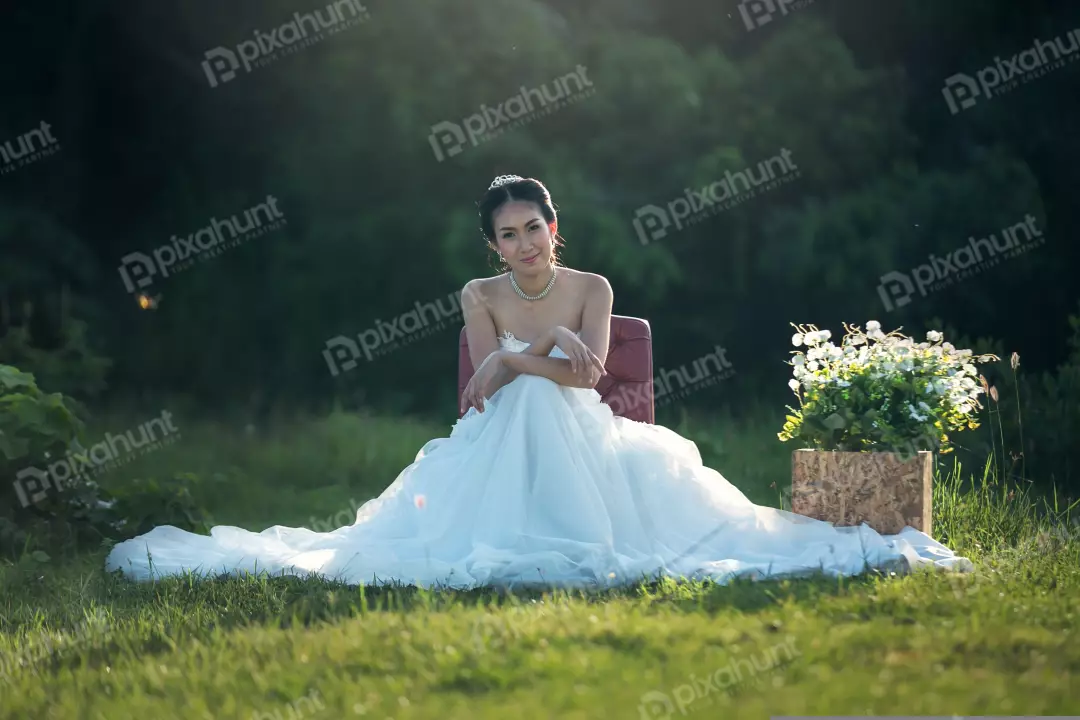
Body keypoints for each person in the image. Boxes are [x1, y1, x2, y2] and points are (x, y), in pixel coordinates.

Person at [105, 175, 972, 588]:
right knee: (523, 400)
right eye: (508, 235)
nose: (523, 245)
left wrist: (523, 349)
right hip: (503, 438)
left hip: (588, 436)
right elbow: (487, 395)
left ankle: (581, 535)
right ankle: (528, 532)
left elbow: (586, 373)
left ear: (555, 227)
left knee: (539, 391)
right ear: (493, 247)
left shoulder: (591, 289)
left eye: (533, 228)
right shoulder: (477, 293)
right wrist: (520, 362)